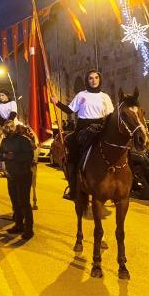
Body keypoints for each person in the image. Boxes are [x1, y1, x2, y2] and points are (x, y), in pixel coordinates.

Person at [51, 70, 114, 200]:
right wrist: (57, 102)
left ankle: (127, 183)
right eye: (90, 78)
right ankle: (73, 189)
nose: (94, 80)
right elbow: (70, 110)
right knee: (72, 157)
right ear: (87, 80)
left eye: (96, 77)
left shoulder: (105, 97)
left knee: (120, 148)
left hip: (100, 127)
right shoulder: (81, 95)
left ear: (100, 80)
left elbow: (110, 115)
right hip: (83, 129)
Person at [0, 121, 35, 239]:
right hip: (11, 176)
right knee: (15, 202)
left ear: (15, 128)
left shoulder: (23, 140)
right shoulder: (4, 141)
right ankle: (19, 225)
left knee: (24, 202)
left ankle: (29, 229)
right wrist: (4, 156)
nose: (9, 129)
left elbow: (29, 156)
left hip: (23, 174)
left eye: (11, 127)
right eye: (7, 127)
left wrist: (14, 157)